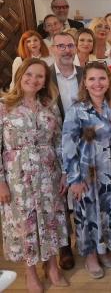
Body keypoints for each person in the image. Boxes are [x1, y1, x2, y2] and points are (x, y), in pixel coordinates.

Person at [62, 62, 111, 279]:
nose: (97, 83)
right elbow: (67, 147)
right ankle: (91, 256)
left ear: (109, 81)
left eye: (102, 78)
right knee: (89, 216)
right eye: (92, 79)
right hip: (87, 175)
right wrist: (74, 179)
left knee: (109, 212)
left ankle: (105, 250)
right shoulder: (76, 110)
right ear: (85, 83)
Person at [0, 59, 70, 292]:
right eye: (29, 74)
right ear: (20, 75)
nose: (33, 79)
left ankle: (52, 266)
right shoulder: (4, 105)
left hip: (49, 175)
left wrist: (64, 173)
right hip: (17, 179)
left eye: (40, 76)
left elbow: (59, 141)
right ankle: (30, 272)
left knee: (50, 220)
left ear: (45, 81)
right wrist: (0, 182)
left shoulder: (49, 105)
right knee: (25, 225)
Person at [49, 32, 83, 269]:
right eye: (60, 46)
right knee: (59, 195)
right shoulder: (45, 76)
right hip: (54, 142)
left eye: (70, 45)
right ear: (53, 49)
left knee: (82, 191)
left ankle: (84, 238)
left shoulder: (85, 73)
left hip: (84, 142)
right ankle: (64, 246)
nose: (66, 50)